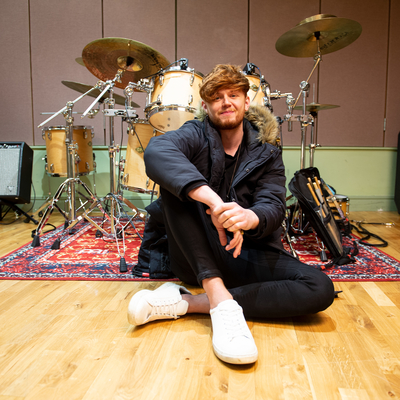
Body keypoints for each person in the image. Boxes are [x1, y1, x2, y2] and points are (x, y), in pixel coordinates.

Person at [127, 64, 335, 365]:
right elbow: (158, 151)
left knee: (320, 288)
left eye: (233, 94)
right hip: (195, 256)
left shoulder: (268, 152)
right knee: (175, 188)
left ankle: (189, 303)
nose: (226, 102)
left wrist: (249, 218)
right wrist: (214, 203)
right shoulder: (195, 134)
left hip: (245, 251)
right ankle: (221, 301)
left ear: (246, 101)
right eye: (217, 97)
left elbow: (274, 206)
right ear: (206, 106)